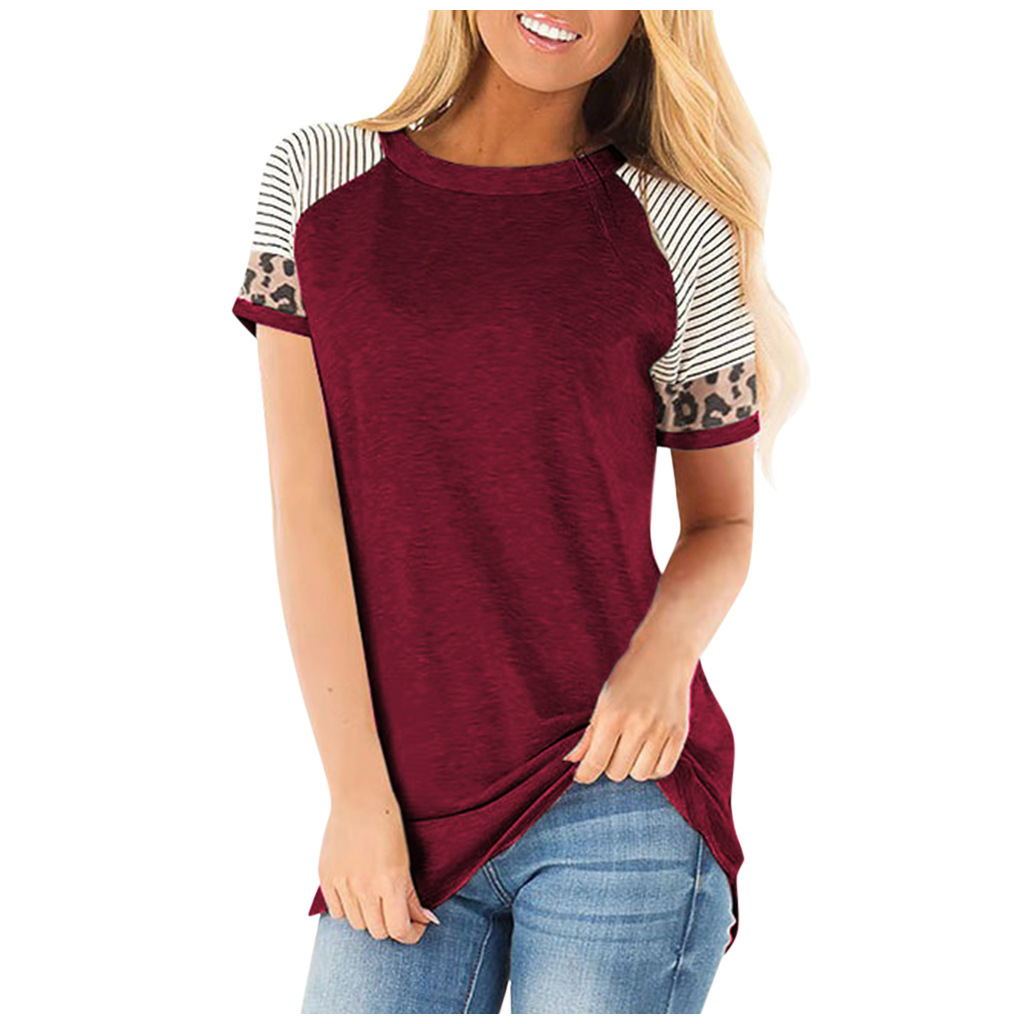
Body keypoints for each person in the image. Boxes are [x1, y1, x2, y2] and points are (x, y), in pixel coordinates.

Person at [231, 9, 804, 1014]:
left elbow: (724, 523)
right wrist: (356, 797)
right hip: (401, 810)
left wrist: (659, 662)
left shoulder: (673, 228)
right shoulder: (319, 180)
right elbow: (303, 509)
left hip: (619, 798)